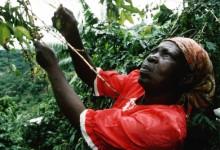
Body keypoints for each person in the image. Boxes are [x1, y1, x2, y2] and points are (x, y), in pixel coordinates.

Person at [34, 6, 215, 150]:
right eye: (155, 51)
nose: (152, 57)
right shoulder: (138, 83)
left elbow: (82, 119)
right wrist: (72, 34)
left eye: (166, 55)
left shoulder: (165, 127)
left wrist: (52, 67)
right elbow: (93, 77)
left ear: (185, 78)